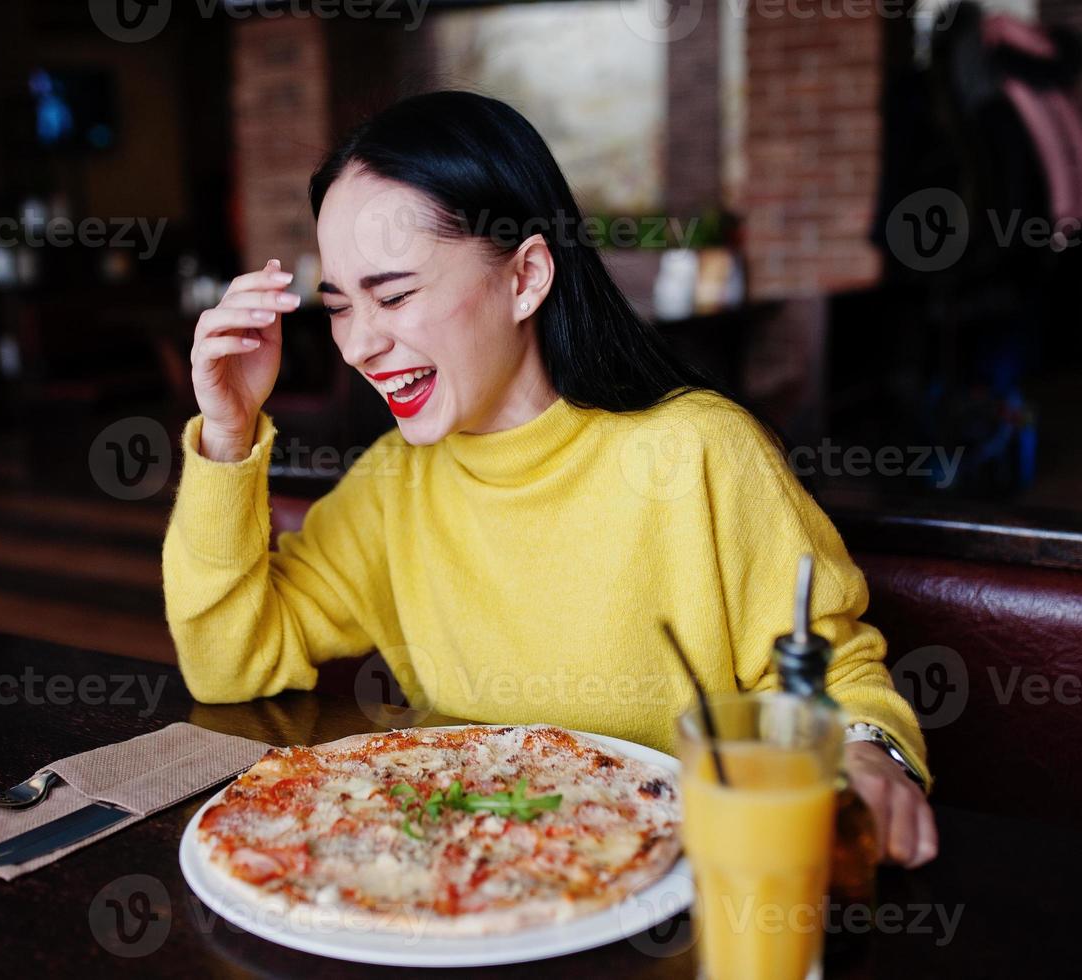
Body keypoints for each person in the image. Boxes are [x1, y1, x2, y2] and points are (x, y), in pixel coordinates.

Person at [163, 91, 937, 867]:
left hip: (672, 887)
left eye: (394, 295)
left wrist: (867, 756)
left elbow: (833, 677)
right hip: (467, 887)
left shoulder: (698, 450)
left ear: (526, 276)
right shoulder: (389, 486)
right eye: (338, 306)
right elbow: (228, 662)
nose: (360, 345)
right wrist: (227, 437)